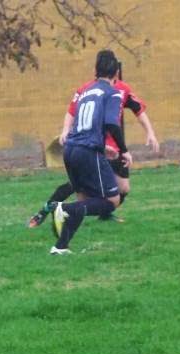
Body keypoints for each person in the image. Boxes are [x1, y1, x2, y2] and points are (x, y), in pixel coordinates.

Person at [27, 56, 159, 229]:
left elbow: (138, 109)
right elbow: (71, 111)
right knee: (78, 188)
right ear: (115, 71)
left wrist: (150, 132)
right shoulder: (87, 89)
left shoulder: (122, 89)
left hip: (113, 147)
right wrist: (66, 130)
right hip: (94, 146)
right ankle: (46, 211)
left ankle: (101, 214)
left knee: (123, 189)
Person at [49, 50, 126, 255]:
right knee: (112, 200)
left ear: (95, 71)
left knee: (83, 201)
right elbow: (112, 124)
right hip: (87, 152)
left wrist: (103, 147)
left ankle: (60, 247)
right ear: (116, 73)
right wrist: (124, 150)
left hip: (70, 150)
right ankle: (63, 209)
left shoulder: (85, 92)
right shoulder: (112, 93)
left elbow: (84, 126)